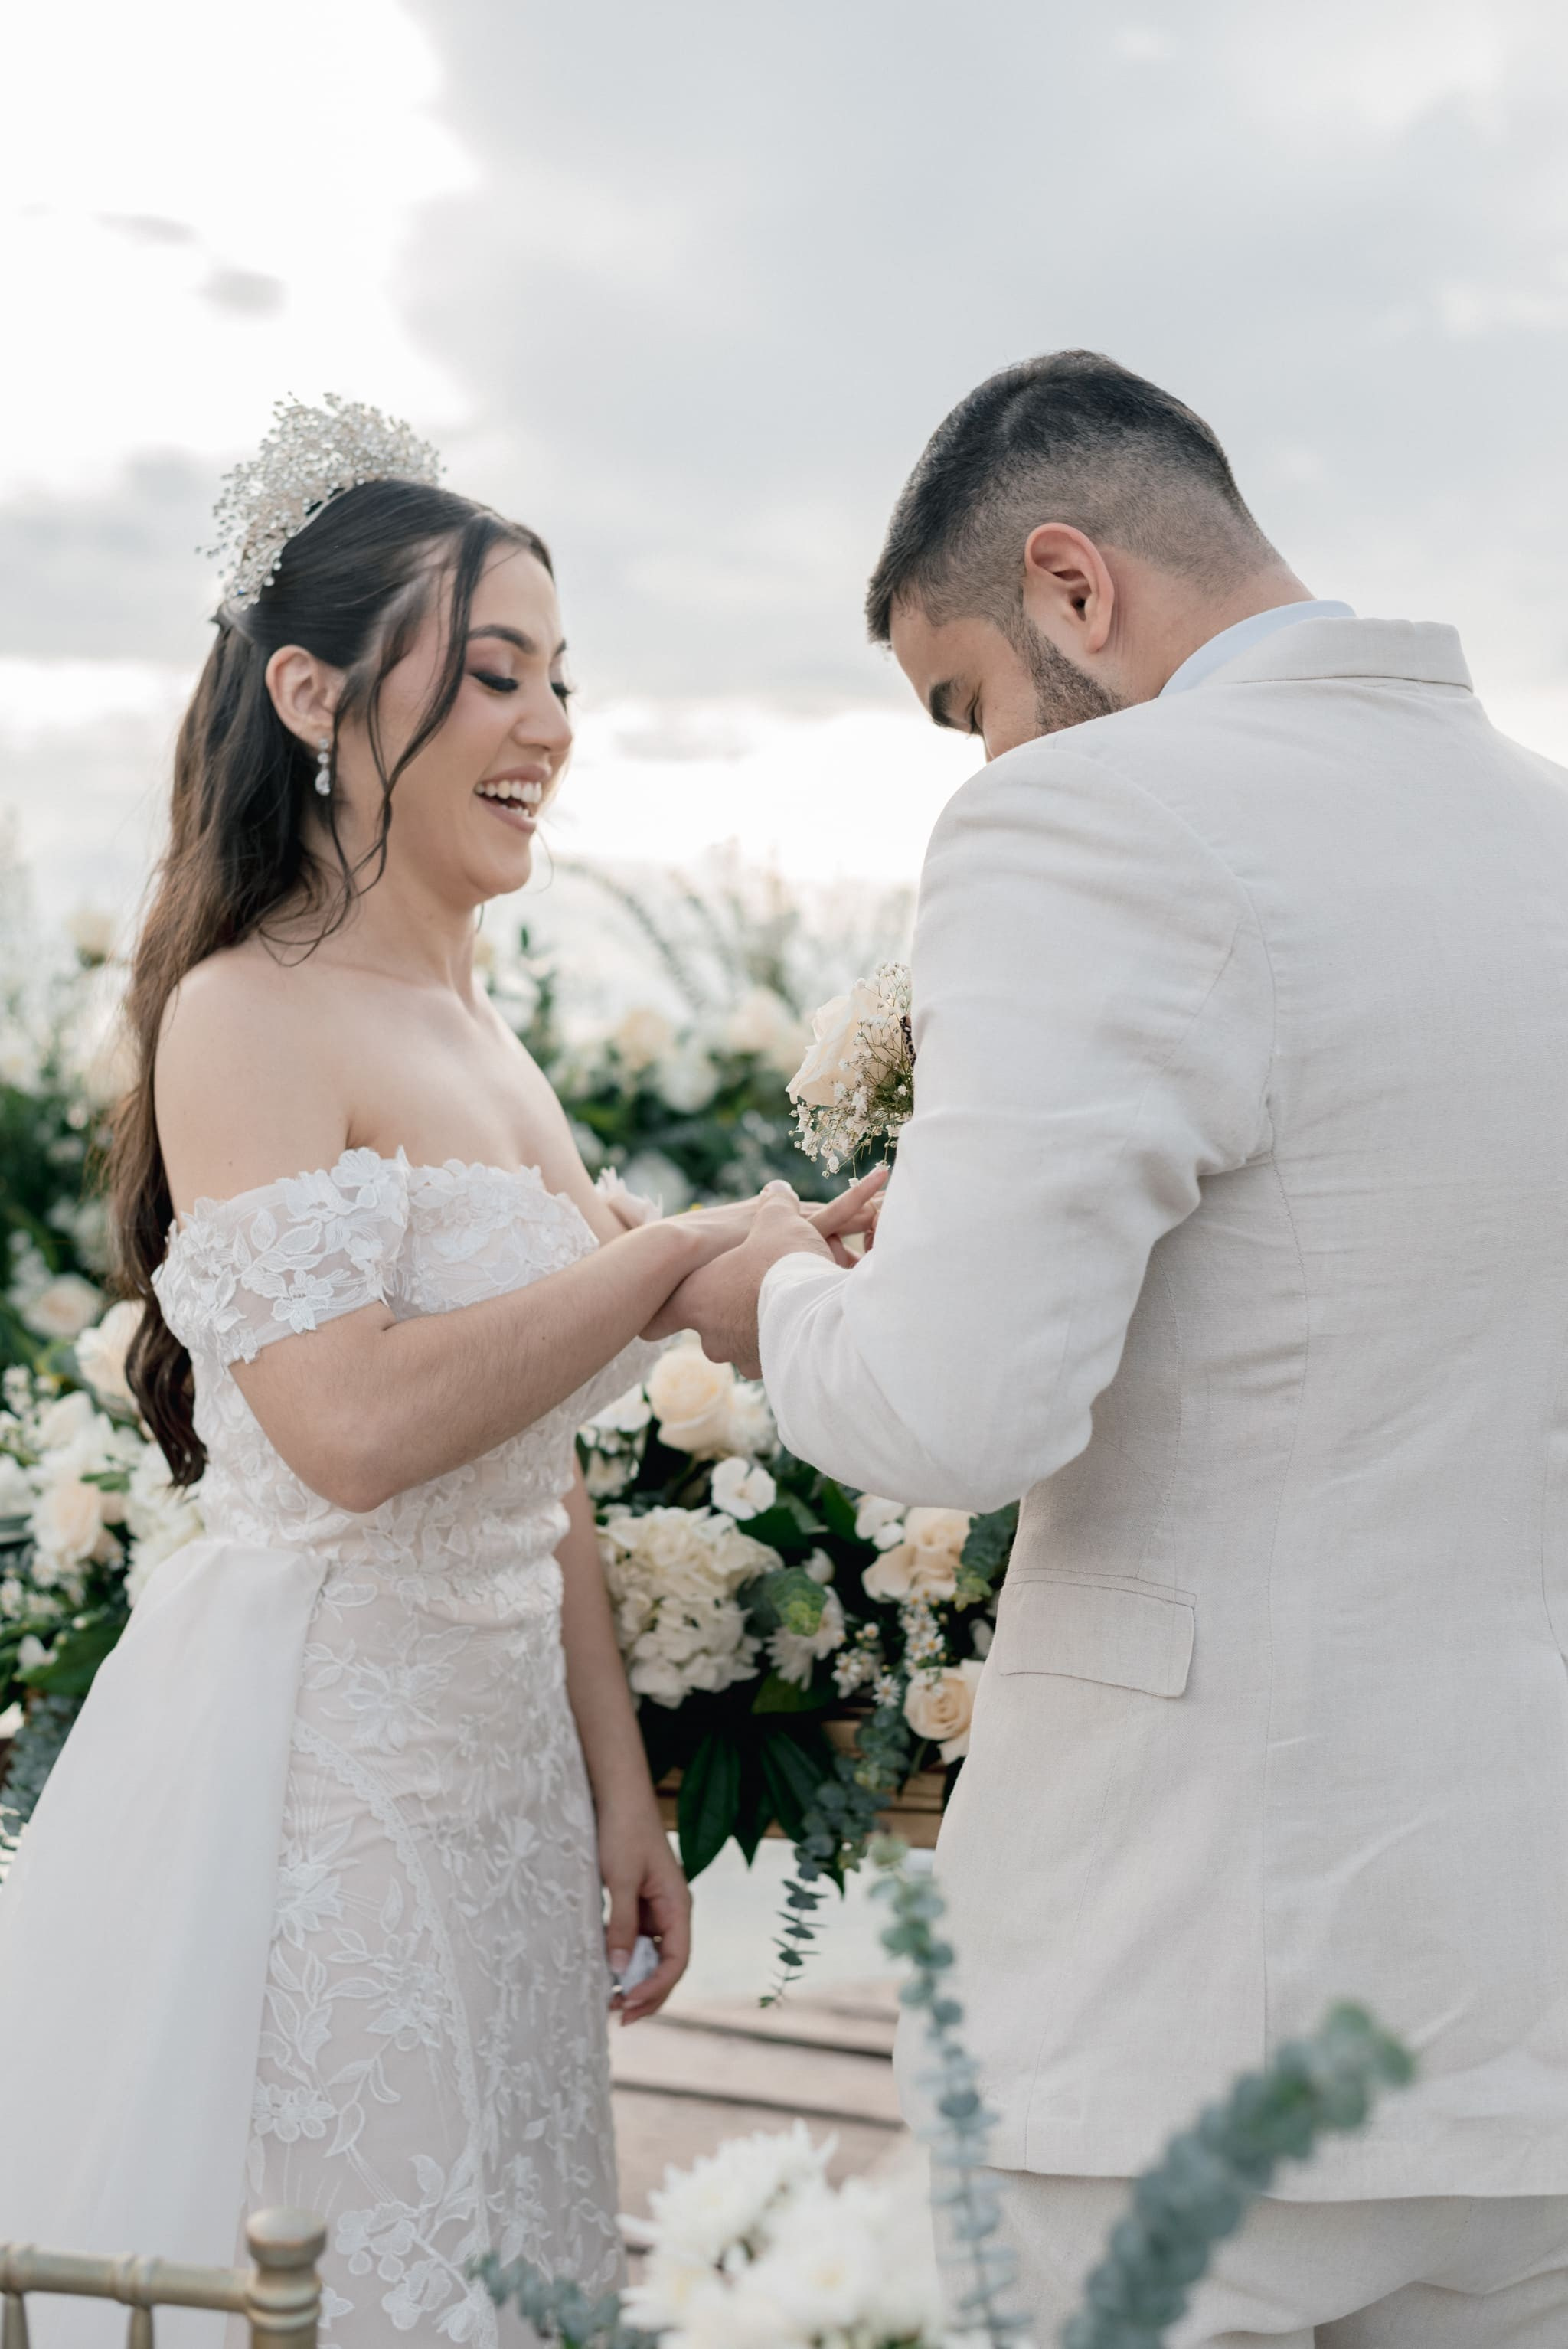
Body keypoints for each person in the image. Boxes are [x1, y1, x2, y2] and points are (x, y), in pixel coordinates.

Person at [668, 351, 1568, 2344]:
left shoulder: (1089, 823)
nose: (984, 765)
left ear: (1072, 583)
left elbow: (957, 1409)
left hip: (1180, 2019)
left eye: (964, 700)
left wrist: (775, 1297)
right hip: (1522, 2045)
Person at [0, 399, 878, 2349]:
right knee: (356, 2254)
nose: (550, 725)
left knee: (506, 2241)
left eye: (561, 678)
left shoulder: (488, 1036)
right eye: (493, 674)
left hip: (498, 1790)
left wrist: (619, 1785)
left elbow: (533, 1445)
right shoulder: (248, 1014)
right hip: (324, 1780)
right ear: (314, 697)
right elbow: (356, 1425)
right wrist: (666, 1255)